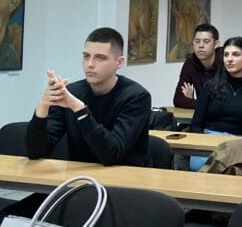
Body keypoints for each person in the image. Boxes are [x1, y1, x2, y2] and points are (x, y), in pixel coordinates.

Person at [27, 27, 152, 166]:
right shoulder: (71, 93)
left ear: (119, 62)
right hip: (80, 176)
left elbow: (111, 154)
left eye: (100, 58)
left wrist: (79, 109)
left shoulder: (137, 97)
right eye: (86, 56)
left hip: (126, 176)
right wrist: (43, 107)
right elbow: (36, 152)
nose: (90, 64)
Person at [190, 36, 242, 137]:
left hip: (240, 142)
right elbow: (196, 125)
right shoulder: (210, 87)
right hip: (209, 138)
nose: (229, 59)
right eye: (226, 55)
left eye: (236, 54)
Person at [172, 23, 222, 109]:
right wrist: (201, 103)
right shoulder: (190, 63)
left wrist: (191, 101)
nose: (201, 46)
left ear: (216, 44)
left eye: (206, 41)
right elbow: (178, 99)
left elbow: (226, 104)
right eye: (197, 41)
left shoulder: (227, 60)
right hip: (203, 114)